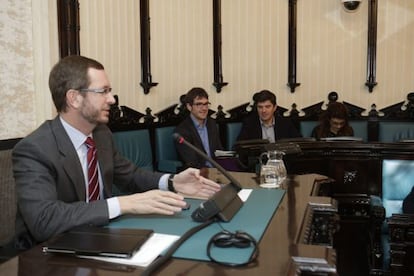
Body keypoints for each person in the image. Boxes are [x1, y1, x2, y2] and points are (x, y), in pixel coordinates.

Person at [12, 56, 221, 249]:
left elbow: (130, 175)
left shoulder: (101, 134)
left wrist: (173, 182)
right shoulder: (35, 149)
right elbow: (44, 220)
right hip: (49, 253)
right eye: (103, 91)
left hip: (101, 238)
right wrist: (122, 204)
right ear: (74, 98)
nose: (112, 99)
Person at [174, 87, 223, 169]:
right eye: (199, 104)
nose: (204, 108)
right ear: (189, 107)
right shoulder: (182, 131)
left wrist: (233, 158)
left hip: (218, 172)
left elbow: (218, 151)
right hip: (198, 174)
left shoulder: (212, 124)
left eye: (206, 104)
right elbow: (191, 162)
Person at [237, 90, 301, 142]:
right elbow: (239, 147)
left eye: (267, 107)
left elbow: (299, 144)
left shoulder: (285, 123)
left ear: (275, 107)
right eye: (260, 107)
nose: (263, 110)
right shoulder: (249, 124)